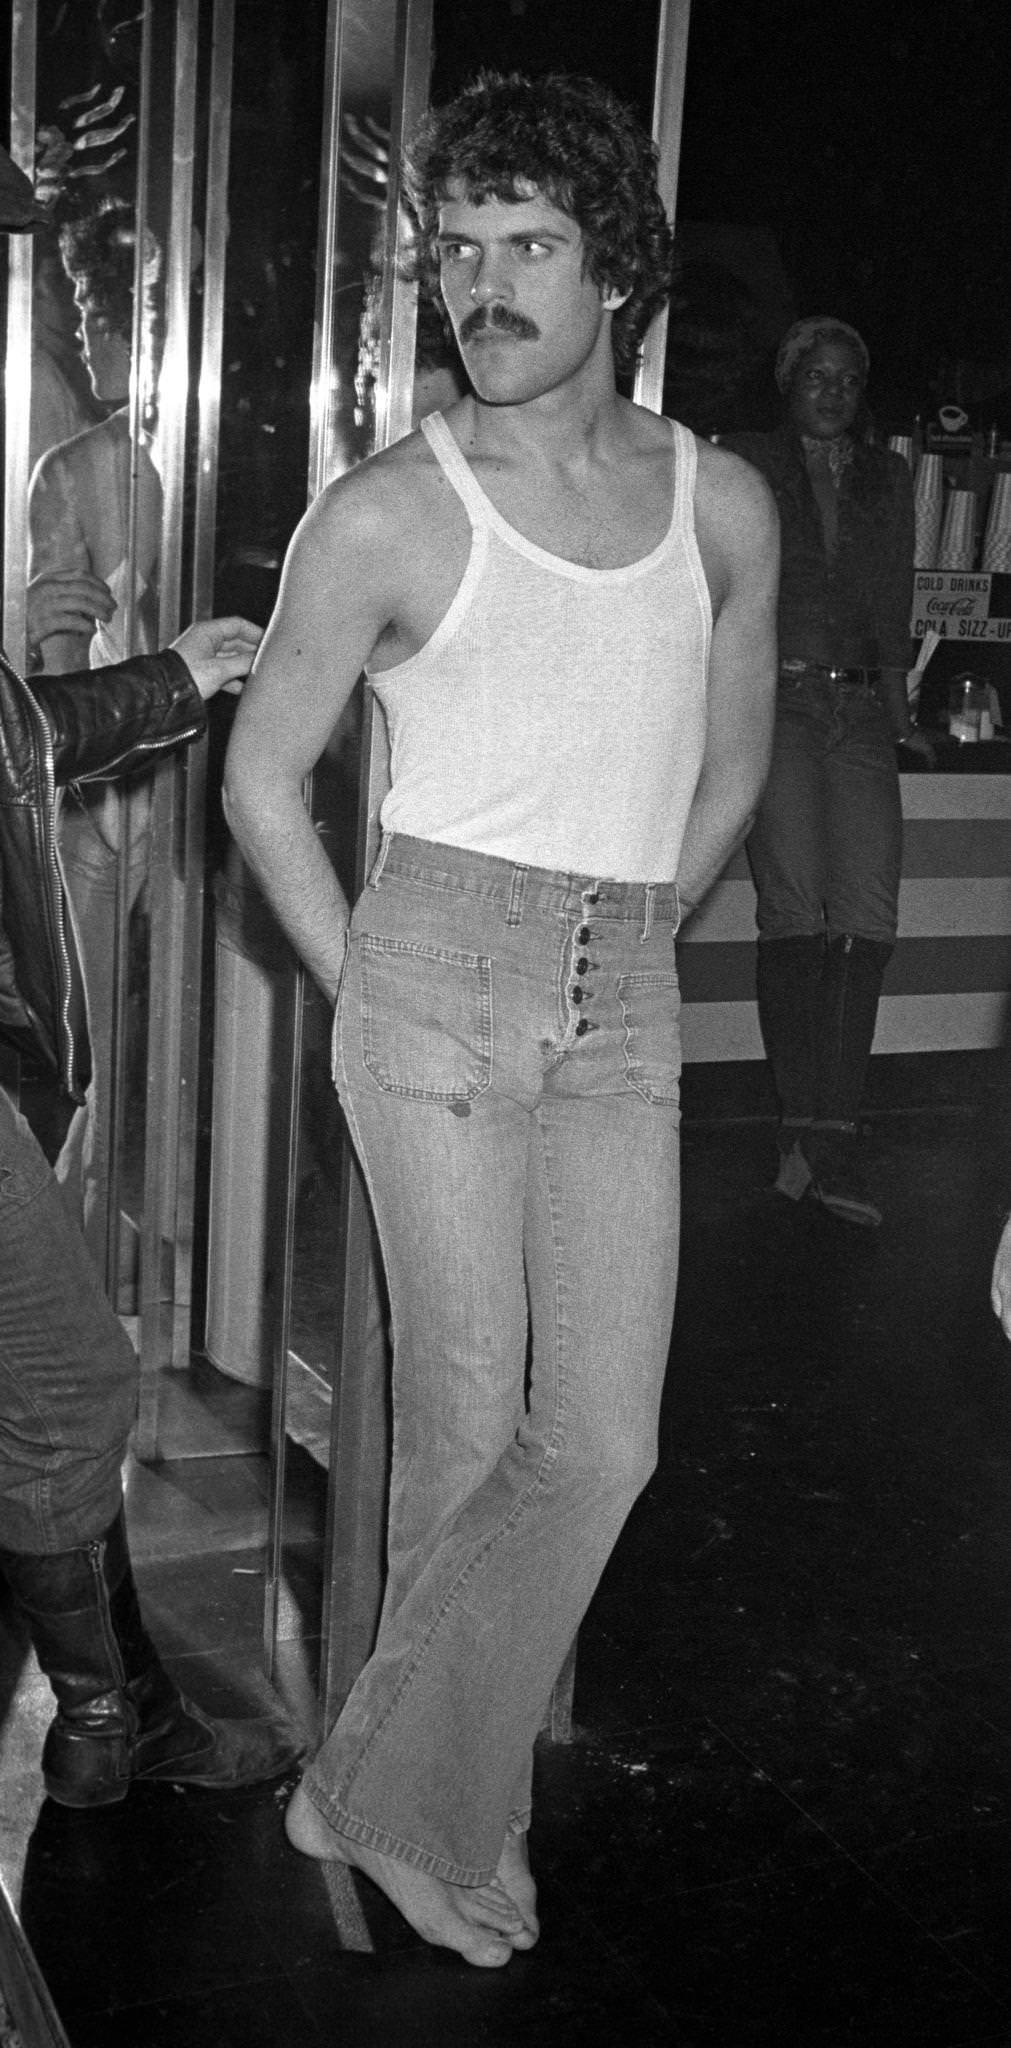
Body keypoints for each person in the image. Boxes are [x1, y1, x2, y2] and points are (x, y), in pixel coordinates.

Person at [223, 70, 778, 1967]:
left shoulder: (723, 504)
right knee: (463, 1430)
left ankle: (368, 1789)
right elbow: (260, 779)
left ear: (615, 267)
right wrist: (369, 971)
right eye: (456, 251)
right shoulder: (386, 511)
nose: (487, 286)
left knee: (600, 1438)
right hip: (433, 976)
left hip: (623, 979)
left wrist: (628, 938)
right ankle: (439, 1819)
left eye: (527, 244)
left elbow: (727, 766)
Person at [0, 144, 301, 1808]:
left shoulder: (212, 453)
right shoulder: (75, 469)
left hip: (101, 872)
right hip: (86, 839)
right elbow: (31, 694)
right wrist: (160, 678)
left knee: (57, 1355)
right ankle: (117, 1724)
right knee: (68, 1363)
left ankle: (114, 1722)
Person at [724, 317, 931, 1229]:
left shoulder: (888, 475)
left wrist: (902, 719)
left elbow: (893, 601)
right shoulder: (743, 463)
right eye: (817, 374)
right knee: (797, 913)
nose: (835, 391)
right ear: (787, 379)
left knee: (868, 917)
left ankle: (825, 1137)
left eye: (849, 378)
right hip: (777, 699)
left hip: (855, 712)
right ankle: (804, 1144)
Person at [28, 197, 163, 1272]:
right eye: (84, 309)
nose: (96, 334)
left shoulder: (222, 459)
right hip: (104, 788)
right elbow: (51, 654)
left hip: (200, 791)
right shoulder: (73, 470)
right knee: (83, 1049)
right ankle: (68, 1273)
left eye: (111, 311)